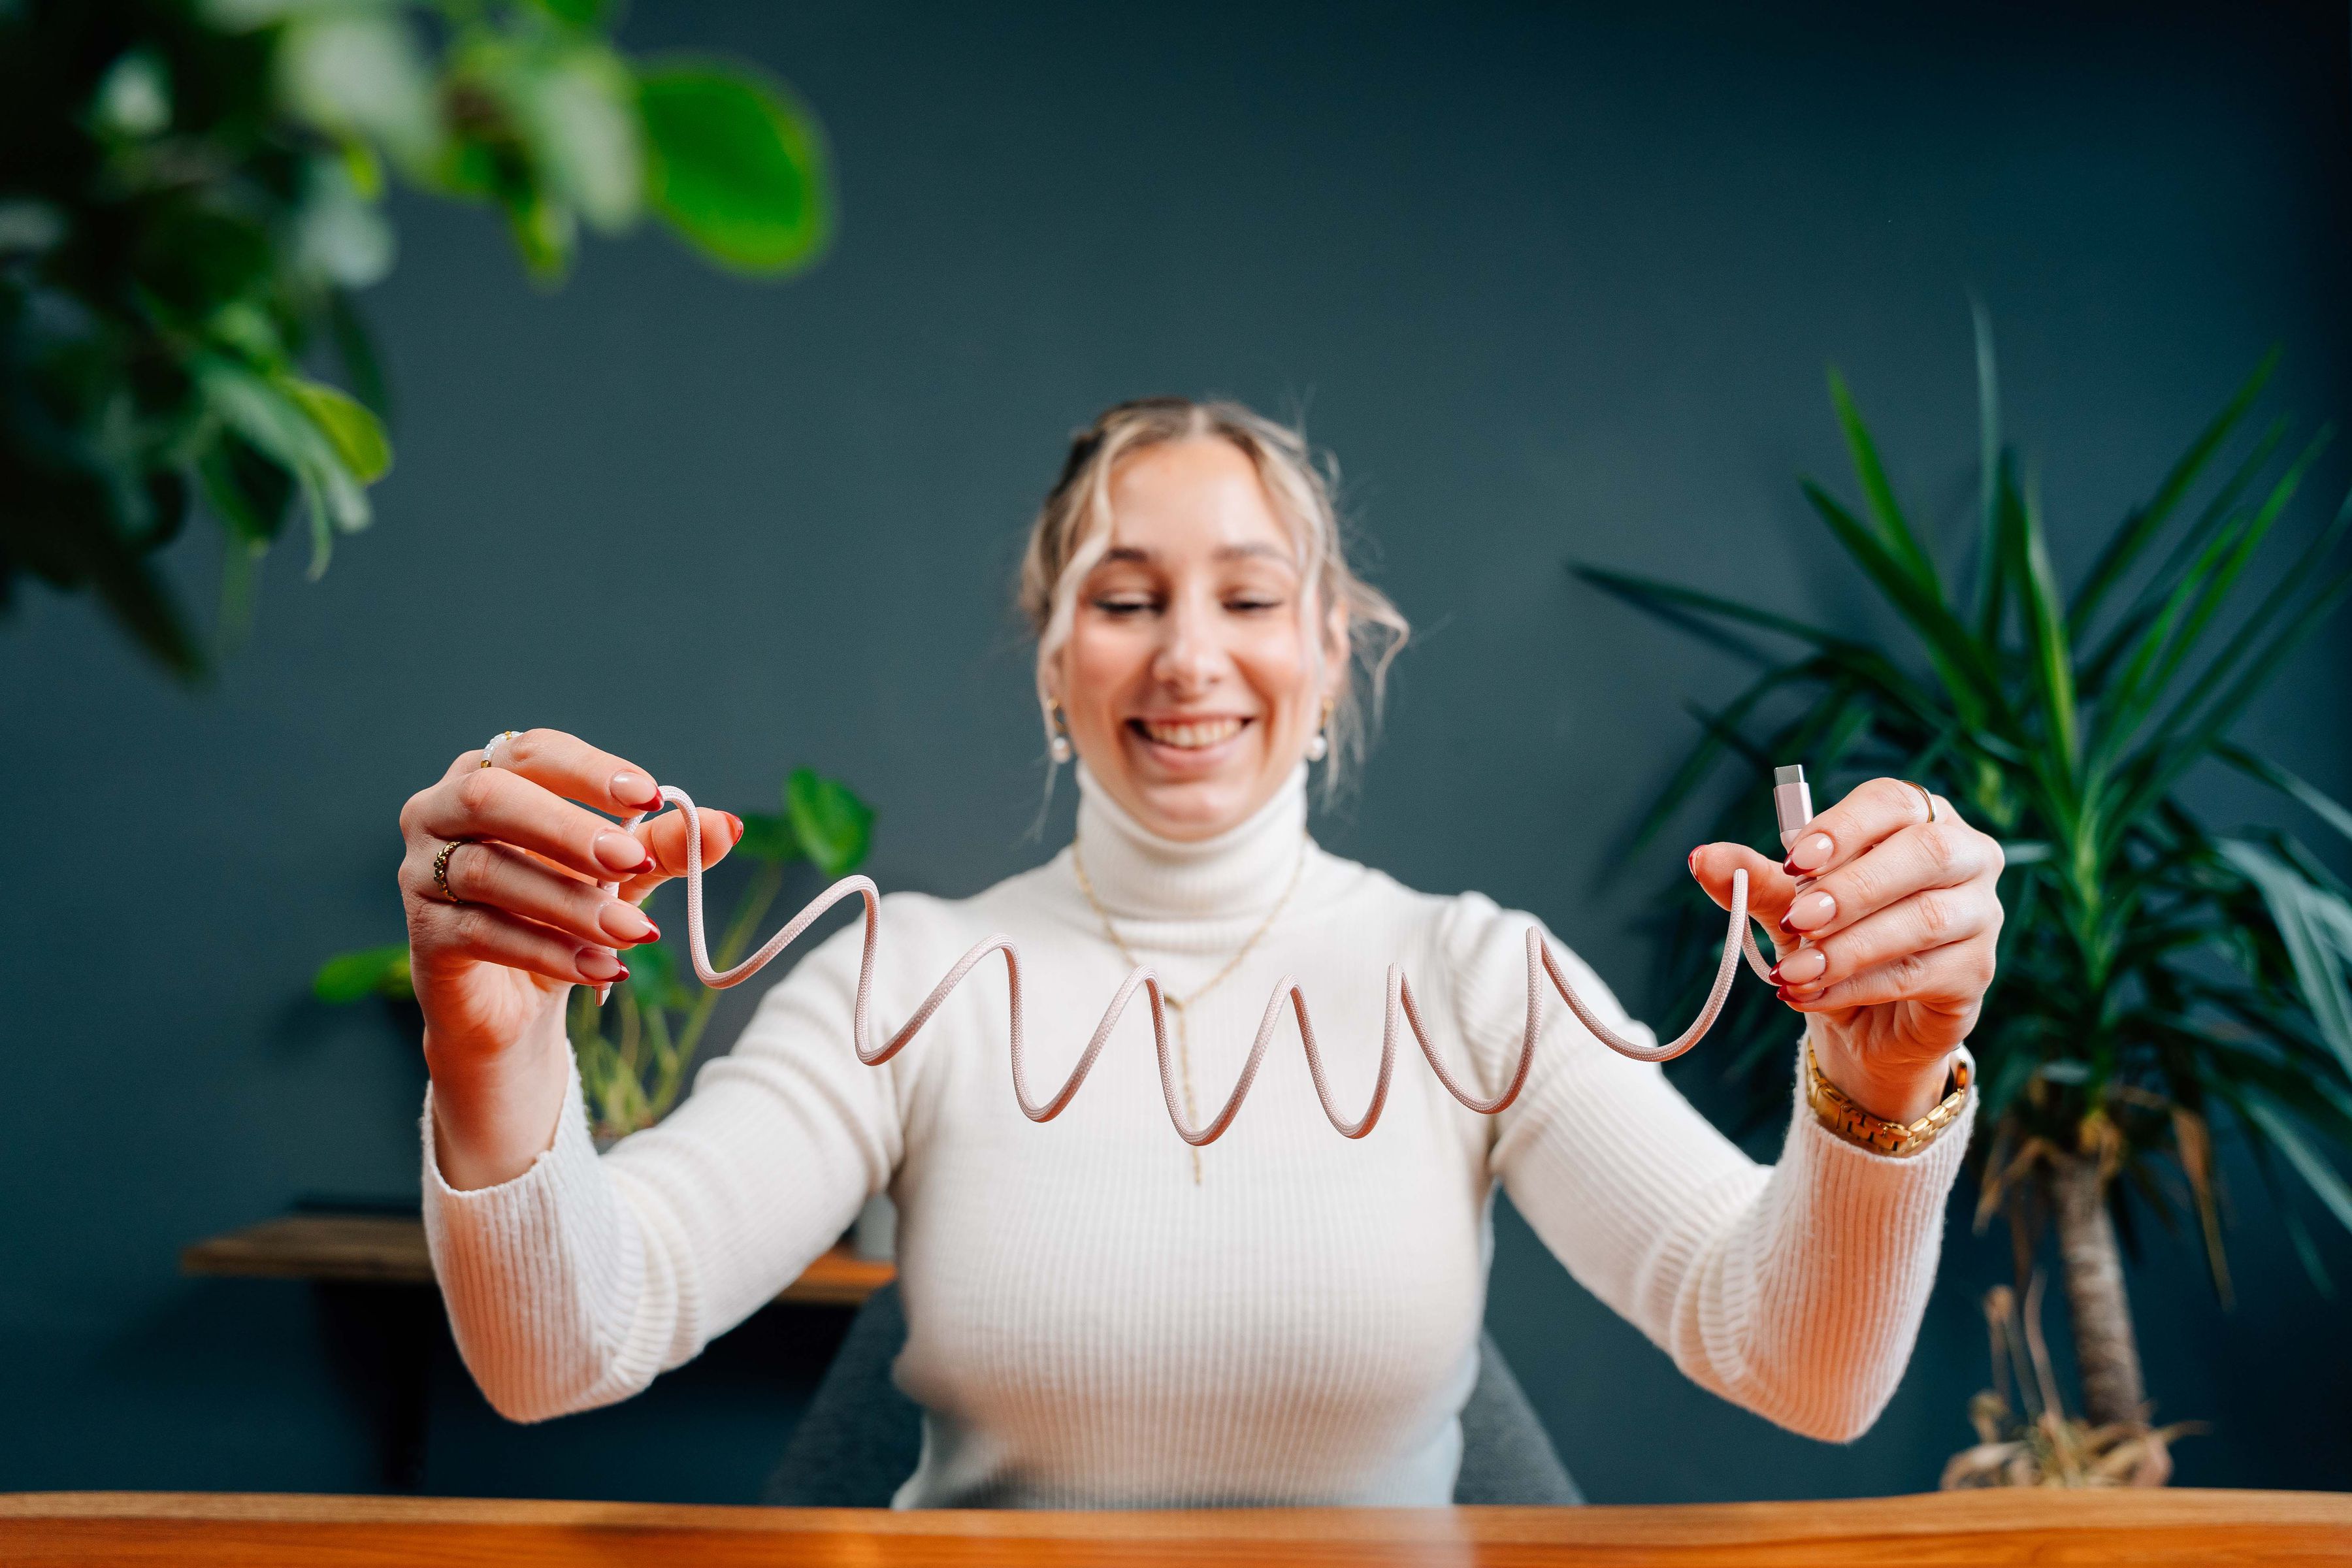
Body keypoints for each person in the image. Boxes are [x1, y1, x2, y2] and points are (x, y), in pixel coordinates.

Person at [397, 397, 2001, 1508]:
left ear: (1330, 654)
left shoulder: (1474, 981)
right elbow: (565, 1348)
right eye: (1123, 599)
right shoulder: (907, 980)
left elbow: (1804, 1367)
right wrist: (495, 1053)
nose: (1186, 657)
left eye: (1247, 597)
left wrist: (1886, 1088)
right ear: (1052, 663)